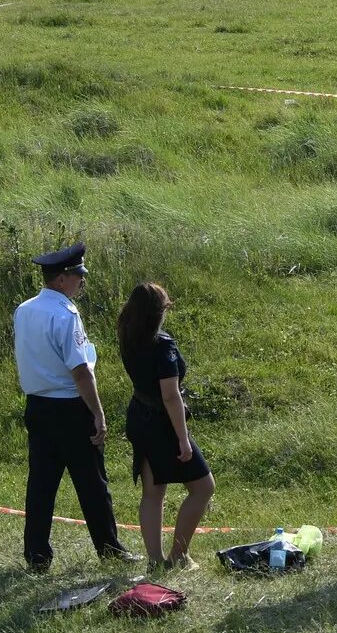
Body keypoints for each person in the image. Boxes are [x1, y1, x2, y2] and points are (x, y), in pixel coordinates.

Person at [13, 242, 135, 570]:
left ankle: (37, 555)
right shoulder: (66, 313)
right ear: (62, 279)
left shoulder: (24, 309)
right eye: (77, 275)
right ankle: (110, 549)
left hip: (37, 406)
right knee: (92, 483)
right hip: (69, 407)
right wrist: (97, 412)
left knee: (40, 484)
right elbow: (81, 371)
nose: (82, 280)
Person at [117, 283, 214, 570]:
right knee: (203, 488)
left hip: (139, 415)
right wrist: (183, 439)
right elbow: (170, 395)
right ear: (159, 313)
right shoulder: (163, 345)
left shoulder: (128, 335)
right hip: (162, 421)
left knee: (152, 492)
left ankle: (155, 560)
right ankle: (179, 555)